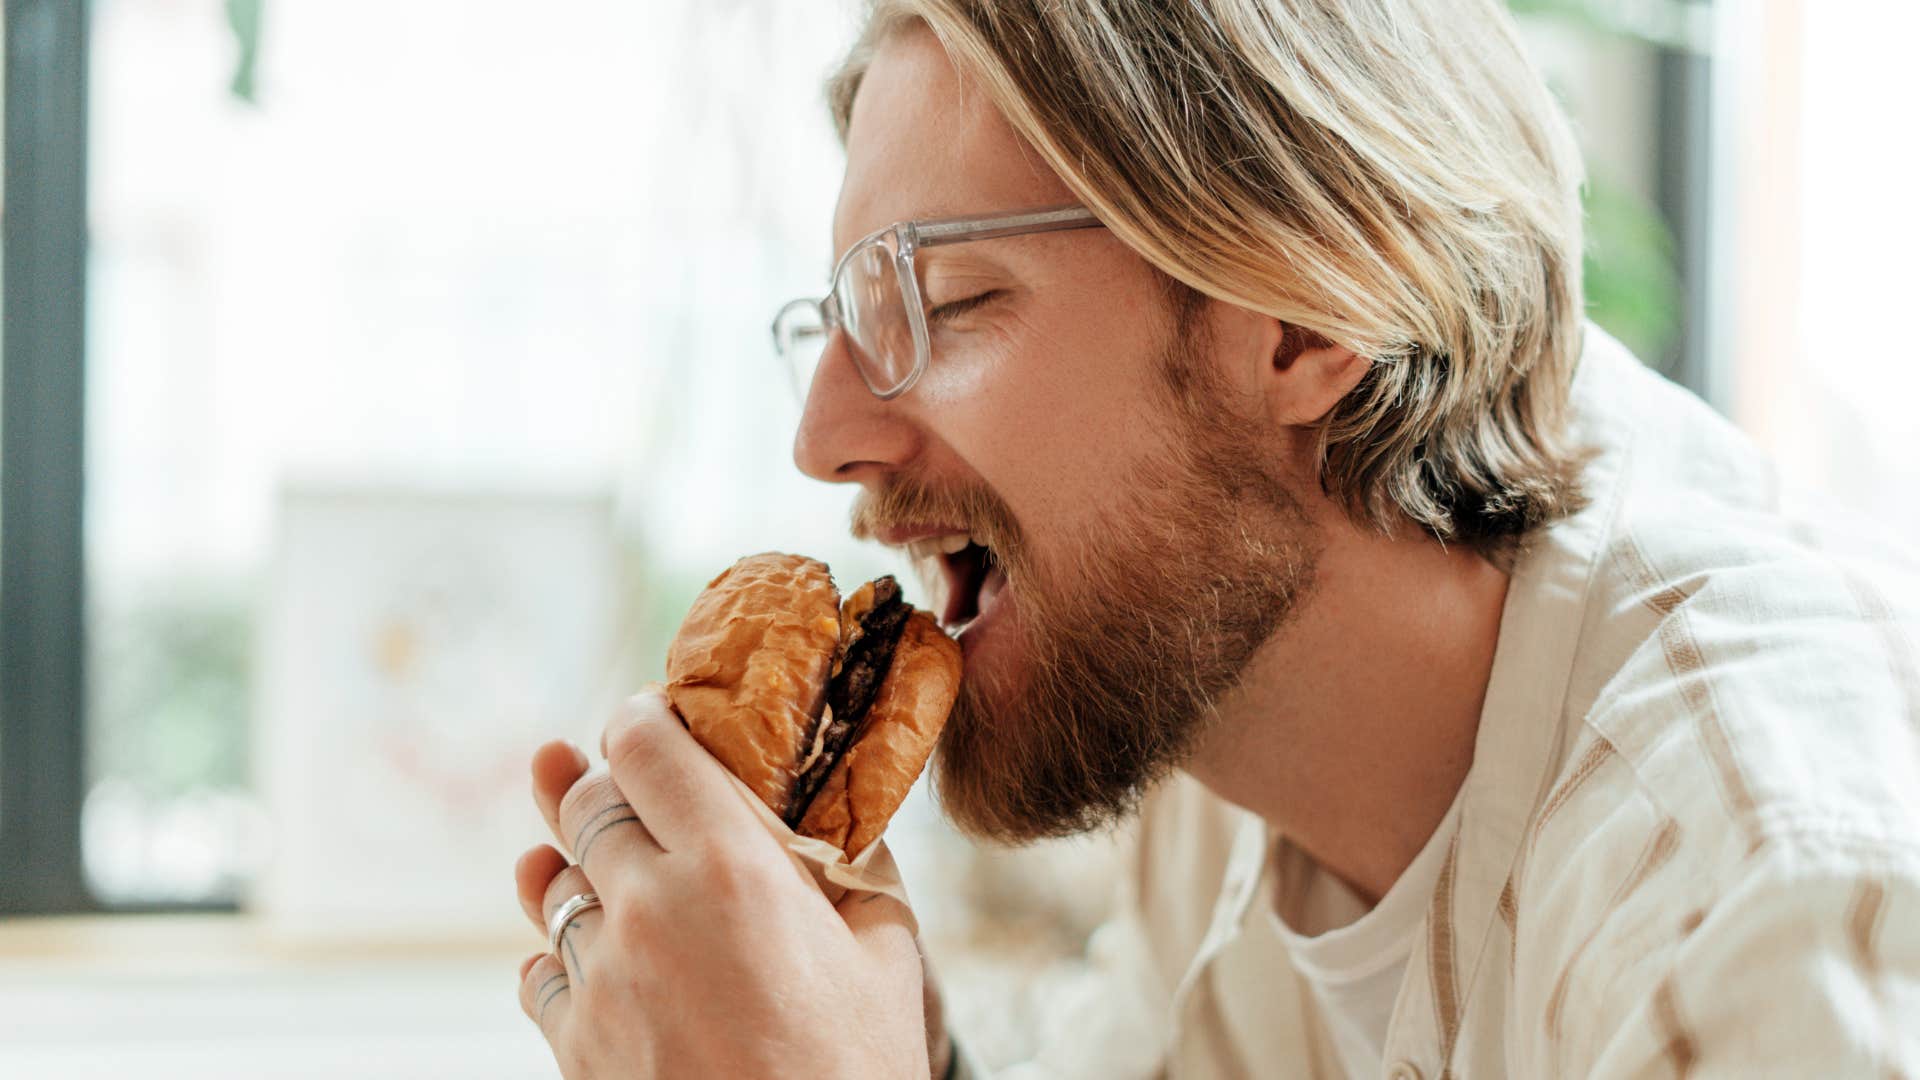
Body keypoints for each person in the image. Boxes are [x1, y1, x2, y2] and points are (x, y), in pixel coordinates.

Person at [510, 1, 1920, 1076]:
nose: (823, 437)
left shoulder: (1775, 894)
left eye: (941, 302)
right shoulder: (1219, 705)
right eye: (839, 320)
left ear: (1306, 316)